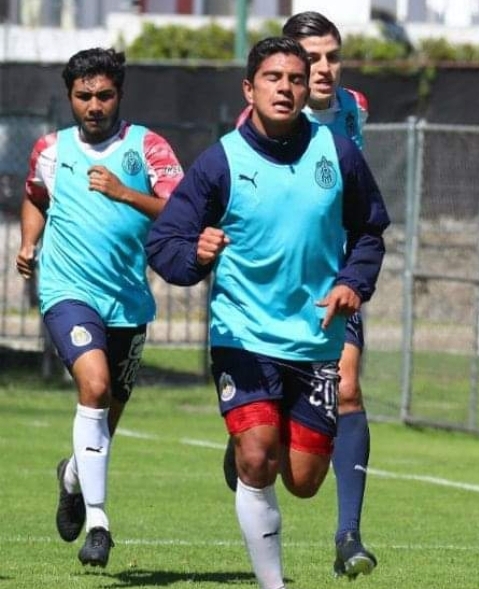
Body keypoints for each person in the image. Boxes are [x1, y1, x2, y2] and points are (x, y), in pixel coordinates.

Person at [145, 36, 389, 589]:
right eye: (273, 78)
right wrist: (195, 256)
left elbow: (370, 229)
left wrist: (353, 281)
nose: (285, 88)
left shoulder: (338, 154)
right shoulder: (219, 161)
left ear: (307, 90)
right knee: (259, 458)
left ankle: (253, 447)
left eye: (296, 80)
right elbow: (166, 243)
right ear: (249, 89)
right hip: (243, 336)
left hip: (316, 340)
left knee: (302, 480)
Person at [15, 47, 183, 568]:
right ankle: (99, 522)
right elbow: (36, 197)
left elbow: (181, 210)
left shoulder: (148, 147)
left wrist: (124, 193)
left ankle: (70, 475)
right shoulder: (49, 149)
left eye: (104, 95)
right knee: (94, 386)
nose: (94, 105)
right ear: (70, 96)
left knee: (105, 417)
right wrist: (28, 243)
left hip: (127, 301)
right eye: (84, 95)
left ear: (119, 95)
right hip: (67, 291)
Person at [233, 11, 377, 578]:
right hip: (271, 288)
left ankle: (349, 535)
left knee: (348, 386)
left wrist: (355, 268)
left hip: (336, 280)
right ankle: (250, 442)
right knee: (274, 451)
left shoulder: (354, 107)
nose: (322, 68)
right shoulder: (261, 117)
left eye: (332, 56)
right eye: (310, 57)